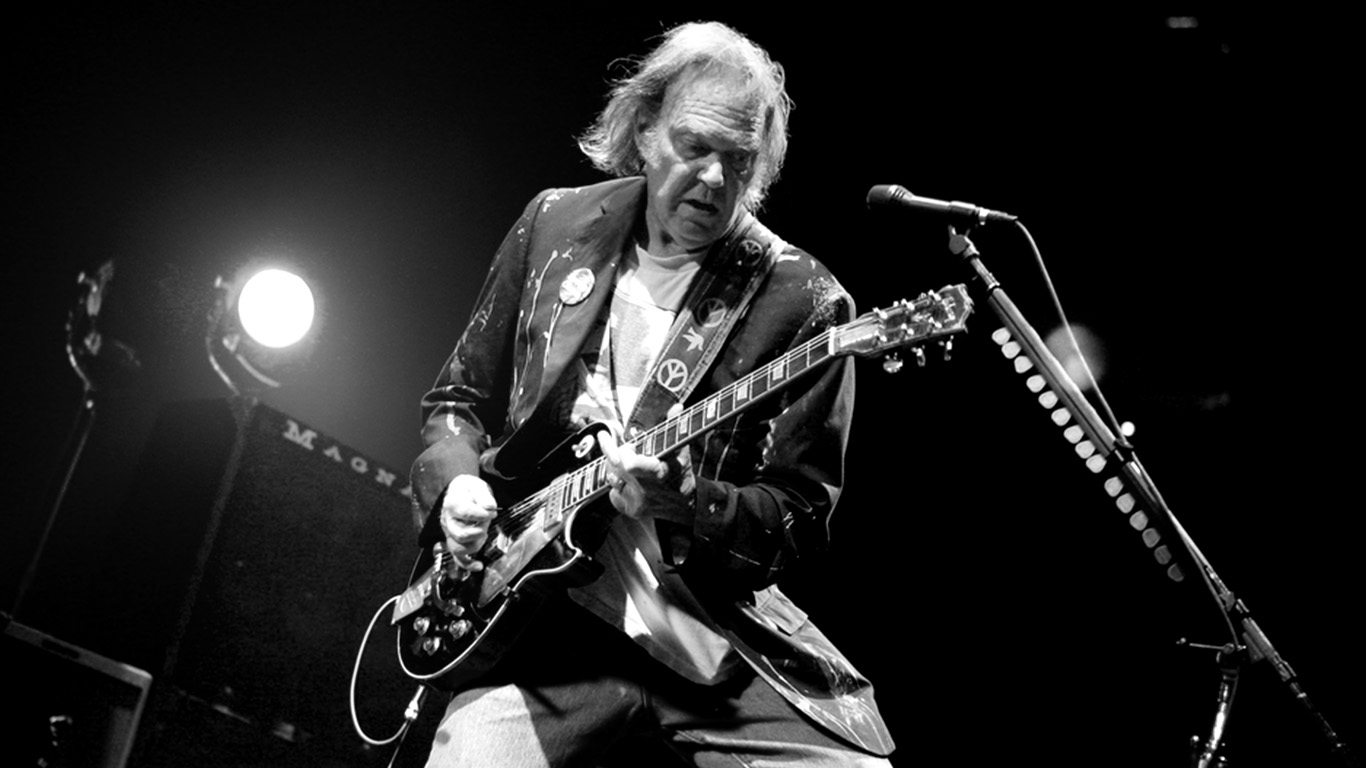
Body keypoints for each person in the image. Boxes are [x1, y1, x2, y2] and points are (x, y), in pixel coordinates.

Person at [409, 21, 894, 767]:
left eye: (738, 160)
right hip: (546, 622)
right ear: (644, 129)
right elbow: (458, 401)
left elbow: (797, 518)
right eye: (694, 146)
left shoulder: (805, 300)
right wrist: (456, 485)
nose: (714, 179)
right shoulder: (556, 224)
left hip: (709, 636)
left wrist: (686, 502)